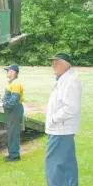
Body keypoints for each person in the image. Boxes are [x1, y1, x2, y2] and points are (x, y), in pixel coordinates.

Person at [45, 53, 82, 186]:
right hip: (62, 130)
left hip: (60, 130)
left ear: (66, 64)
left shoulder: (69, 81)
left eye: (57, 62)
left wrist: (53, 119)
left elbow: (71, 108)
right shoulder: (65, 79)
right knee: (66, 167)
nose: (53, 65)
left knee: (54, 167)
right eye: (52, 63)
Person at [2, 64, 24, 162]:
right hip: (12, 110)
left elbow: (14, 100)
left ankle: (15, 156)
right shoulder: (12, 83)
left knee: (13, 133)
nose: (7, 72)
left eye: (8, 70)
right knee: (11, 133)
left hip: (14, 110)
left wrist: (3, 105)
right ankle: (12, 154)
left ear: (13, 72)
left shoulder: (15, 83)